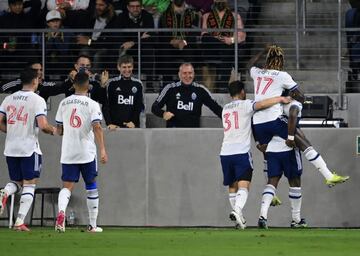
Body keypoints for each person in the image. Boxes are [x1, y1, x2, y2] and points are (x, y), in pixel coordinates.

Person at [220, 81, 290, 229]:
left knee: (232, 186)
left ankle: (239, 220)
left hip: (225, 152)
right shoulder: (245, 104)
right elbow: (263, 104)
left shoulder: (225, 108)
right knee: (244, 184)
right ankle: (237, 210)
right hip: (241, 152)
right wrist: (280, 99)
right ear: (242, 91)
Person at [0, 67, 56, 231]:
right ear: (34, 81)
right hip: (29, 148)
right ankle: (19, 222)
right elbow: (43, 124)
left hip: (11, 148)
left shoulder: (9, 99)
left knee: (16, 183)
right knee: (29, 185)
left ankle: (5, 192)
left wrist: (11, 131)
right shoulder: (37, 100)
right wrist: (54, 130)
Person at [54, 72, 108, 233]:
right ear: (88, 86)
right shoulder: (92, 104)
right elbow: (97, 127)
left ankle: (61, 213)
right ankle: (92, 225)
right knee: (91, 186)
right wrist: (103, 149)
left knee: (67, 187)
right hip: (86, 152)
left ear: (73, 85)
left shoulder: (64, 103)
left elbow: (59, 129)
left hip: (68, 151)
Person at [283, 99, 349, 186]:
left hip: (280, 129)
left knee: (308, 148)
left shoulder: (285, 103)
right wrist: (291, 137)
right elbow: (292, 115)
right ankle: (329, 176)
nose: (303, 96)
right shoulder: (290, 104)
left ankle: (329, 176)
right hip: (280, 131)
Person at [151, 62, 222, 127]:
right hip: (173, 133)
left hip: (193, 134)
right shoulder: (170, 88)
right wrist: (163, 114)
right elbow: (154, 107)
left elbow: (216, 108)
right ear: (179, 74)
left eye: (190, 73)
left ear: (193, 74)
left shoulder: (200, 89)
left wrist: (230, 119)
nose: (187, 76)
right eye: (184, 73)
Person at [258, 135, 306, 229]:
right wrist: (293, 138)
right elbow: (293, 120)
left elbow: (256, 126)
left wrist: (258, 143)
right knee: (295, 181)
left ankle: (262, 216)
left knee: (272, 182)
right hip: (288, 147)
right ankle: (296, 220)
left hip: (271, 148)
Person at [201, 0, 246, 91]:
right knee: (207, 38)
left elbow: (242, 36)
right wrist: (220, 39)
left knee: (227, 50)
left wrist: (231, 40)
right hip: (212, 48)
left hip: (228, 48)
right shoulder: (206, 16)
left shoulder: (235, 16)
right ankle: (222, 86)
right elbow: (203, 35)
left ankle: (223, 86)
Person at [158, 0, 200, 85]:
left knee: (191, 51)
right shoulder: (164, 14)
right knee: (165, 51)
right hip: (169, 45)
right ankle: (167, 86)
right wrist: (171, 41)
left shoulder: (193, 14)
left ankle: (190, 85)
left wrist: (184, 41)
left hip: (186, 45)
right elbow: (161, 34)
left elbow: (195, 32)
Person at [116, 0, 155, 85]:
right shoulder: (121, 17)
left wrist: (133, 42)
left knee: (149, 50)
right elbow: (118, 36)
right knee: (120, 49)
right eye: (132, 7)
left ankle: (149, 85)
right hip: (127, 48)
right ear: (128, 7)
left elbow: (150, 36)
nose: (135, 9)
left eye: (137, 6)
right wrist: (140, 38)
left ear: (141, 7)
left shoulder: (147, 17)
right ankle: (120, 83)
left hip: (142, 47)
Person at [1, 60, 73, 102]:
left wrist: (71, 79)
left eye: (40, 70)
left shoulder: (45, 85)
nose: (39, 72)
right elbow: (1, 87)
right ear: (28, 71)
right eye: (35, 70)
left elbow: (62, 87)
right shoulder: (18, 83)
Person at [104, 55, 144, 129]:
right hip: (114, 128)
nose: (127, 70)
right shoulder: (111, 83)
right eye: (124, 67)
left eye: (129, 67)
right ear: (119, 67)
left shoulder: (138, 84)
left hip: (132, 126)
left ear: (132, 67)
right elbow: (106, 106)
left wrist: (134, 122)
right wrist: (109, 123)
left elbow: (139, 106)